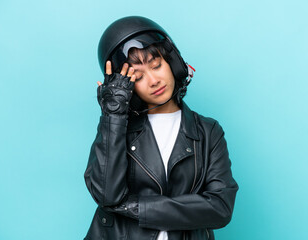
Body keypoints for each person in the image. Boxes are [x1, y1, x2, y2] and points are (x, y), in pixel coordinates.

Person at [84, 16, 238, 240]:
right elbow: (107, 195)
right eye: (137, 76)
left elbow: (220, 207)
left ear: (172, 63)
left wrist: (135, 207)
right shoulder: (117, 128)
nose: (154, 80)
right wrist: (113, 115)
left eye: (156, 65)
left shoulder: (208, 132)